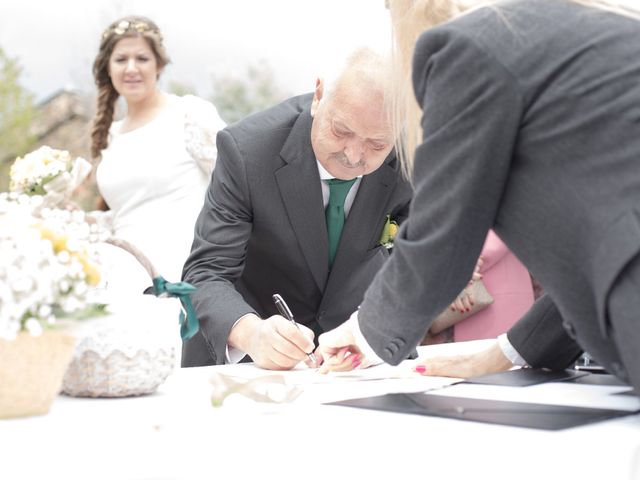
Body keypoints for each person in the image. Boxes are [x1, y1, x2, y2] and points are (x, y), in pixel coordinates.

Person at [317, 0, 640, 398]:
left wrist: (365, 332)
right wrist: (503, 354)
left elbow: (442, 240)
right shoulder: (591, 26)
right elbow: (608, 244)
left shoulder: (467, 47)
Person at [181, 47, 413, 370]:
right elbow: (205, 274)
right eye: (342, 131)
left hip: (355, 369)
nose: (355, 155)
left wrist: (372, 330)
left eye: (377, 144)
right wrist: (252, 334)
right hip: (248, 367)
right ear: (319, 96)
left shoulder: (410, 159)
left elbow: (417, 268)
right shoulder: (247, 152)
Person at [90, 15, 225, 296]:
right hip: (122, 278)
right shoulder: (111, 136)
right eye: (120, 59)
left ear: (159, 64)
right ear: (108, 68)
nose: (131, 68)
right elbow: (123, 212)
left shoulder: (189, 114)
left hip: (185, 273)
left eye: (142, 58)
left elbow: (235, 187)